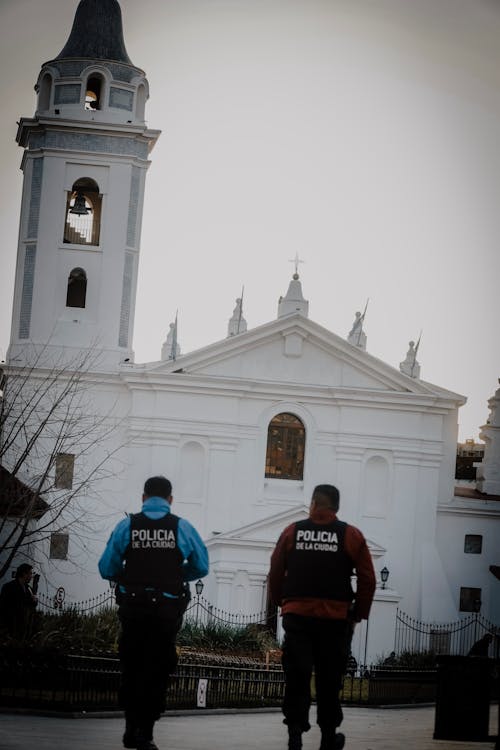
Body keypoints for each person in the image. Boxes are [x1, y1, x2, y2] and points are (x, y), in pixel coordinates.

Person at [99, 476, 209, 750]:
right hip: (166, 611)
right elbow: (202, 565)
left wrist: (128, 576)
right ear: (170, 500)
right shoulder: (181, 527)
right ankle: (145, 732)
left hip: (134, 609)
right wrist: (177, 574)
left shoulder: (128, 525)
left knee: (132, 665)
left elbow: (107, 567)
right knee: (158, 667)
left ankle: (130, 726)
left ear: (143, 498)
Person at [269, 484, 376, 750]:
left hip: (298, 619)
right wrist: (358, 612)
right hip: (335, 620)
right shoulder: (350, 535)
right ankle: (328, 737)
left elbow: (275, 569)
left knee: (297, 676)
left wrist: (281, 602)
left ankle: (295, 734)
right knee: (330, 679)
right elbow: (368, 579)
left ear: (313, 504)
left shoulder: (292, 532)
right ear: (336, 508)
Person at [0, 563, 38, 640]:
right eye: (30, 573)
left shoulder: (28, 588)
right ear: (24, 574)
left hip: (24, 628)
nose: (31, 576)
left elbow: (32, 605)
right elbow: (4, 607)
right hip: (11, 627)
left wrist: (34, 600)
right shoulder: (9, 587)